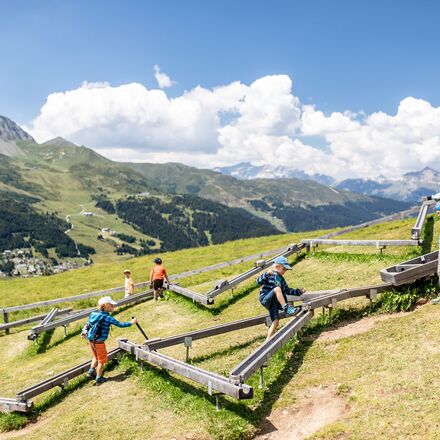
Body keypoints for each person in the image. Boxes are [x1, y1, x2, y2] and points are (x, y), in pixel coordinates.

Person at [82, 296, 136, 384]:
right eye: (111, 305)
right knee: (102, 361)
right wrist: (131, 323)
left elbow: (88, 325)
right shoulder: (107, 318)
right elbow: (120, 325)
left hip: (91, 341)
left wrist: (84, 332)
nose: (113, 307)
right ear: (106, 306)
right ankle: (99, 378)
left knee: (96, 357)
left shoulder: (94, 314)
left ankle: (91, 371)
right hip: (100, 343)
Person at [257, 256, 305, 340]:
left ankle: (267, 342)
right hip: (265, 298)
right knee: (277, 289)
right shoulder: (269, 274)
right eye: (283, 269)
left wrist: (299, 291)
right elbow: (258, 281)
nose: (284, 272)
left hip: (273, 303)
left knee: (275, 322)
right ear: (277, 267)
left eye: (286, 270)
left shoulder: (281, 279)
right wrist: (266, 273)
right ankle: (286, 308)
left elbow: (287, 290)